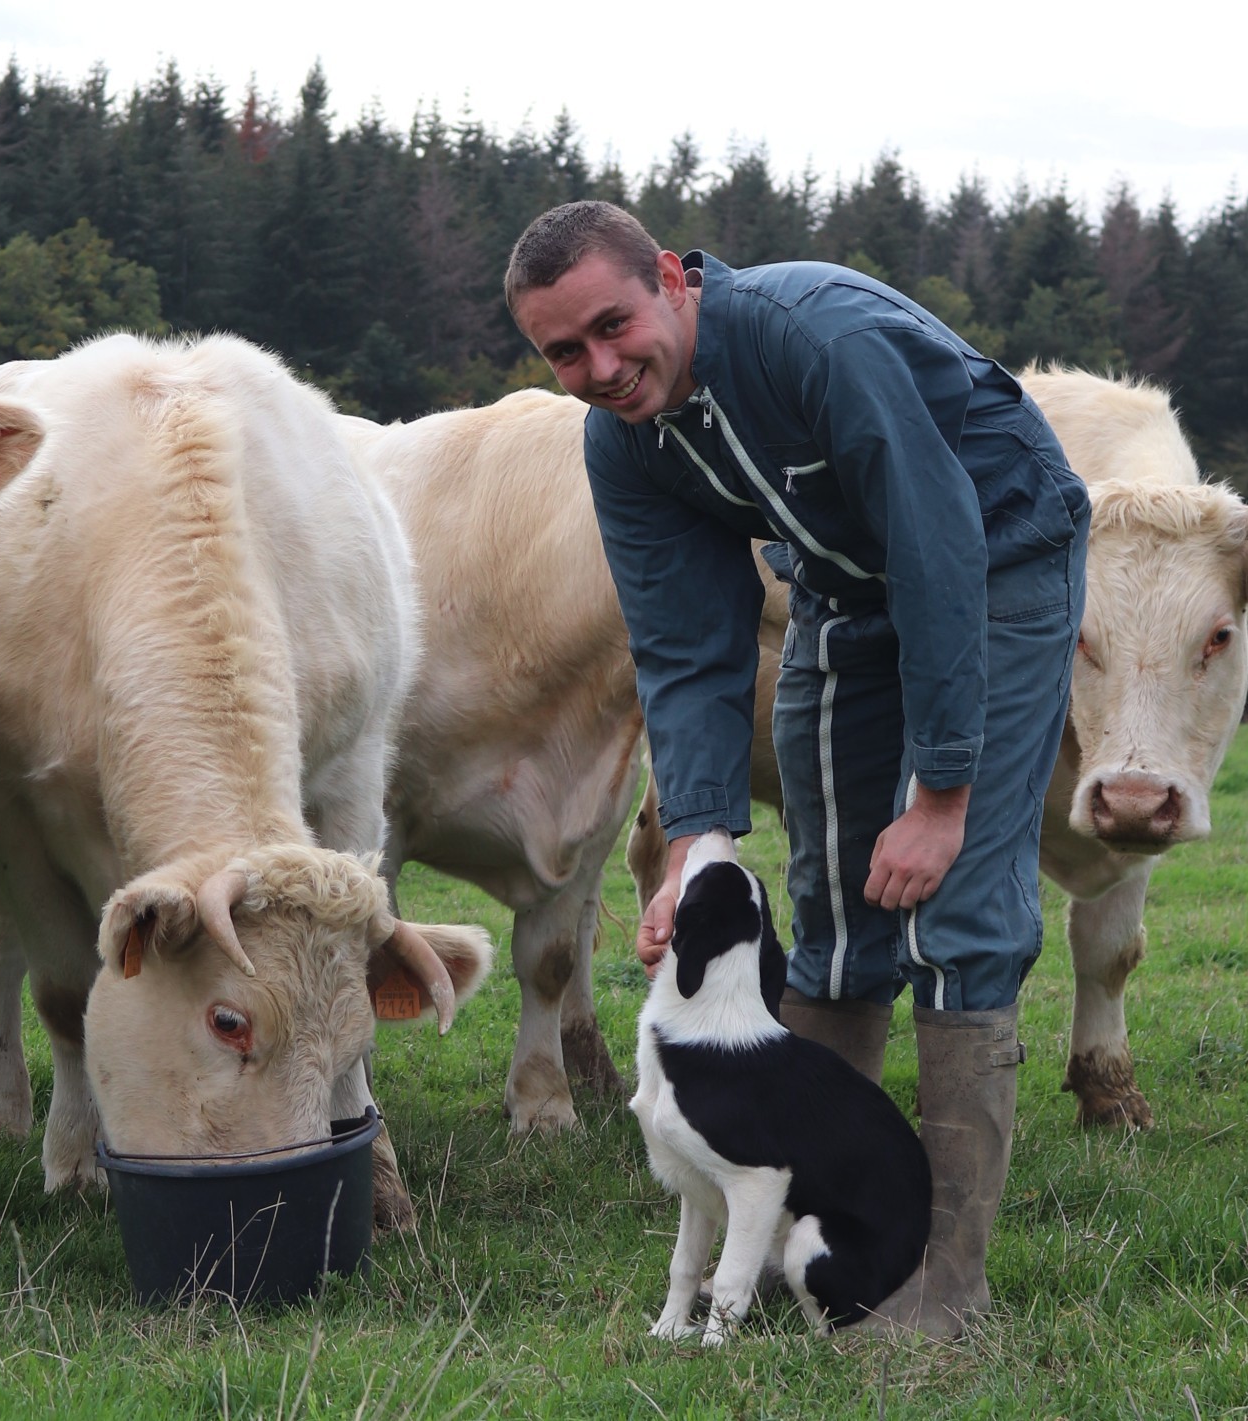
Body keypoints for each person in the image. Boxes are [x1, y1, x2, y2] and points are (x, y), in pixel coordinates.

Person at [505, 201, 1089, 1336]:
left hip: (996, 551)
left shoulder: (814, 338)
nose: (600, 366)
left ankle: (935, 1294)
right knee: (829, 894)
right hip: (838, 587)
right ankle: (805, 1231)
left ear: (671, 278)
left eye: (612, 325)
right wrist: (696, 845)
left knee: (952, 898)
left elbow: (934, 545)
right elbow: (681, 644)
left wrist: (937, 795)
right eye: (562, 352)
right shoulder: (618, 438)